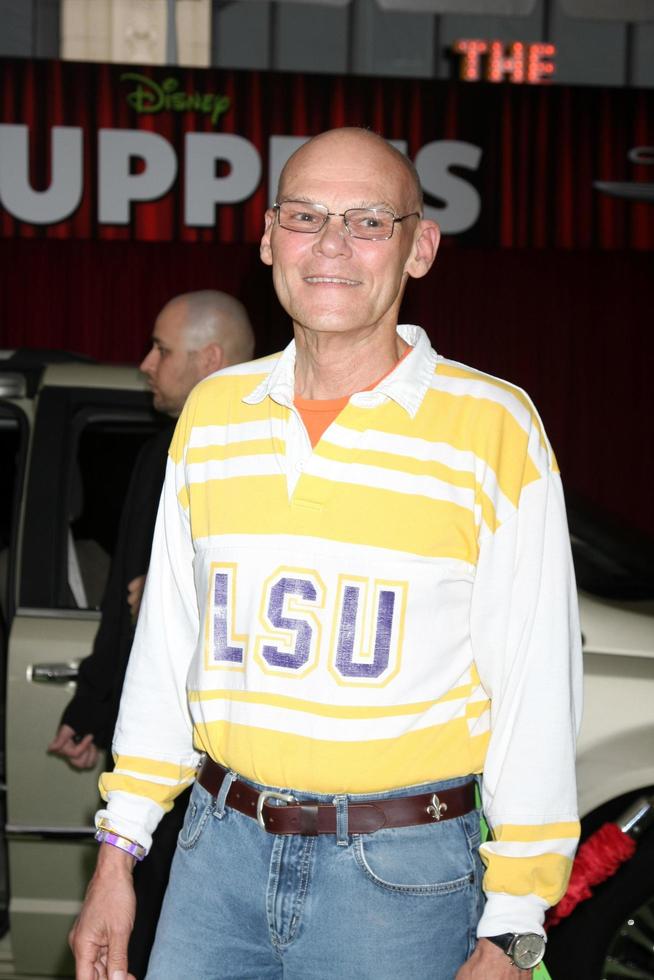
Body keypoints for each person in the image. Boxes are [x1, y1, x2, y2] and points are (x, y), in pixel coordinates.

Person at [70, 128, 582, 980]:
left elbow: (536, 687)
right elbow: (166, 652)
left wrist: (517, 922)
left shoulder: (493, 426)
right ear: (270, 239)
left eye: (368, 220)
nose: (332, 244)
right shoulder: (213, 415)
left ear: (419, 249)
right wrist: (118, 855)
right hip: (211, 858)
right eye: (306, 216)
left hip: (402, 880)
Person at [48, 290, 254, 976]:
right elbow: (125, 609)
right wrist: (94, 704)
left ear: (211, 358)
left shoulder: (264, 455)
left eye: (162, 350)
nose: (145, 364)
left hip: (237, 767)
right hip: (165, 757)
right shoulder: (161, 454)